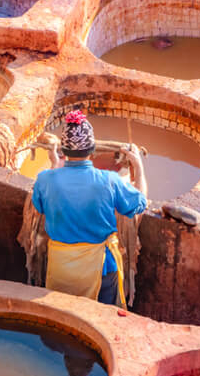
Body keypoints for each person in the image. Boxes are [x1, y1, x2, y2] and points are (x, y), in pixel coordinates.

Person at [31, 110, 148, 307]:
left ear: (63, 151)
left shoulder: (45, 179)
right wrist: (139, 167)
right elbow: (140, 205)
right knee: (99, 322)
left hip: (61, 268)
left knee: (61, 317)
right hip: (101, 269)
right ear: (92, 150)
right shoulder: (109, 181)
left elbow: (40, 206)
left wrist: (53, 164)